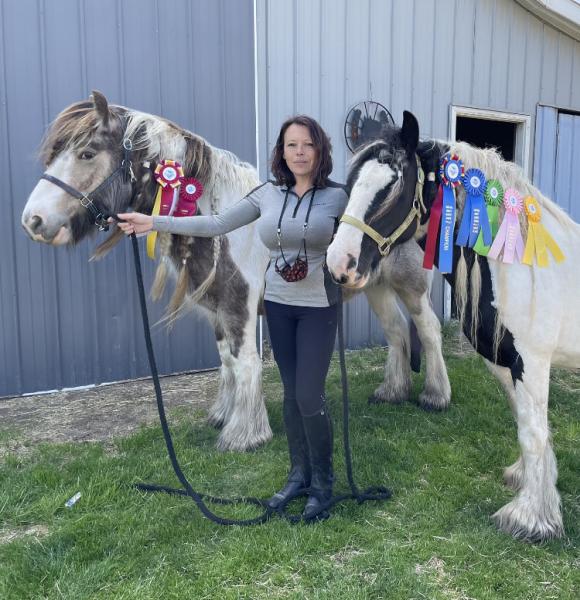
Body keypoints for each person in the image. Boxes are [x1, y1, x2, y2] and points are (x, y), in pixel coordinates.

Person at [116, 116, 348, 520]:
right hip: (279, 304)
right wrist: (155, 222)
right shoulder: (268, 195)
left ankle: (323, 485)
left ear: (320, 150)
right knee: (291, 394)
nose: (299, 153)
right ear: (282, 151)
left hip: (318, 308)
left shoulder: (339, 198)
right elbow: (217, 223)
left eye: (307, 145)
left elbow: (365, 235)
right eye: (291, 145)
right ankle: (298, 475)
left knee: (310, 395)